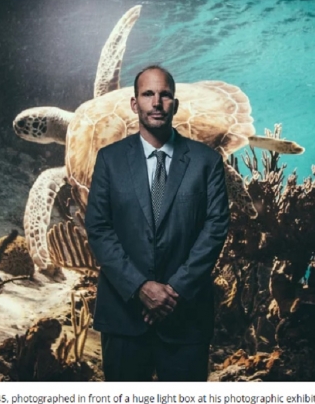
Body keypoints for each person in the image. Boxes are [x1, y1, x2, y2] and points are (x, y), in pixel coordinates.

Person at [85, 65, 229, 381]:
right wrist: (138, 287)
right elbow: (97, 227)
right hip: (124, 316)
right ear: (135, 103)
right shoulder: (109, 159)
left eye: (165, 95)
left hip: (186, 318)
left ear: (174, 104)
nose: (157, 103)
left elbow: (216, 227)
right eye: (148, 94)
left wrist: (175, 290)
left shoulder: (207, 162)